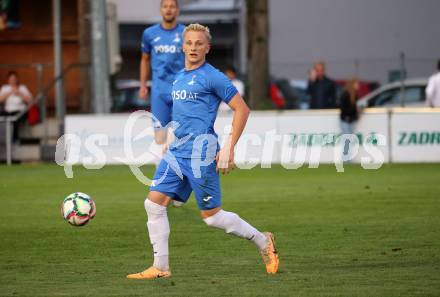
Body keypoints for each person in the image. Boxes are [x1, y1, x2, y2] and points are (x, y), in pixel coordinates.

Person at [127, 23, 279, 279]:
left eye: (199, 43)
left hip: (202, 155)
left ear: (207, 48)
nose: (194, 47)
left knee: (212, 218)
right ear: (182, 46)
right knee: (153, 205)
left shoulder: (214, 77)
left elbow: (242, 109)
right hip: (176, 153)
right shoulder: (178, 77)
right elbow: (183, 114)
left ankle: (262, 240)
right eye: (189, 43)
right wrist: (169, 137)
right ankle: (161, 267)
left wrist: (229, 146)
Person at [139, 0, 185, 144]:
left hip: (181, 90)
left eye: (172, 6)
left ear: (177, 10)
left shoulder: (186, 33)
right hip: (159, 91)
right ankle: (163, 166)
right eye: (165, 7)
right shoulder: (149, 33)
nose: (168, 10)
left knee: (181, 136)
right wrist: (143, 85)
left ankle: (181, 166)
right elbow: (144, 59)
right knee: (160, 139)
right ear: (161, 10)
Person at [0, 71, 32, 141]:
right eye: (11, 79)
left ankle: (15, 139)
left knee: (15, 118)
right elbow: (0, 99)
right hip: (8, 111)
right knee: (8, 116)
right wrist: (9, 92)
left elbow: (29, 100)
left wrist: (19, 93)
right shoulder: (5, 88)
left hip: (20, 111)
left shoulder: (22, 88)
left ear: (17, 79)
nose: (12, 81)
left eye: (14, 79)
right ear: (8, 80)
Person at [339, 78, 360, 158]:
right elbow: (344, 108)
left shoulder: (355, 95)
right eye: (356, 84)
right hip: (345, 120)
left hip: (351, 120)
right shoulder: (345, 95)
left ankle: (348, 157)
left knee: (349, 140)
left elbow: (353, 109)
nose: (358, 85)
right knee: (347, 139)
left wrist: (356, 113)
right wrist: (350, 115)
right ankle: (345, 158)